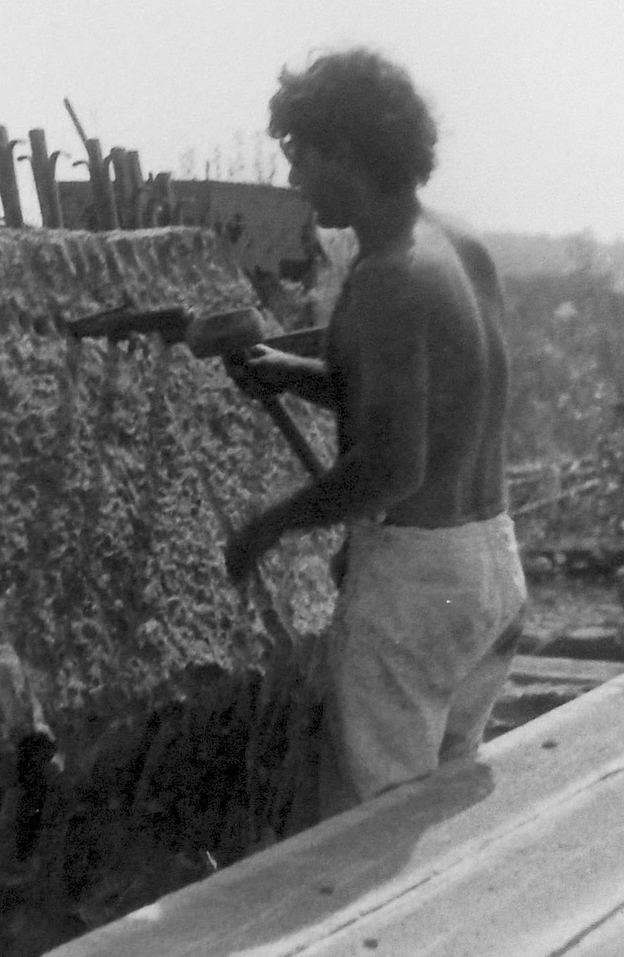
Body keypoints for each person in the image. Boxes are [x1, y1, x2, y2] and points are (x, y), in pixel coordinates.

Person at [221, 48, 527, 817]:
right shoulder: (456, 246)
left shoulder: (389, 276)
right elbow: (415, 392)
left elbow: (391, 466)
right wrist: (286, 368)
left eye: (303, 156)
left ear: (348, 151)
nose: (294, 180)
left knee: (373, 841)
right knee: (442, 823)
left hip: (418, 587)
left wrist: (272, 524)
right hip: (490, 565)